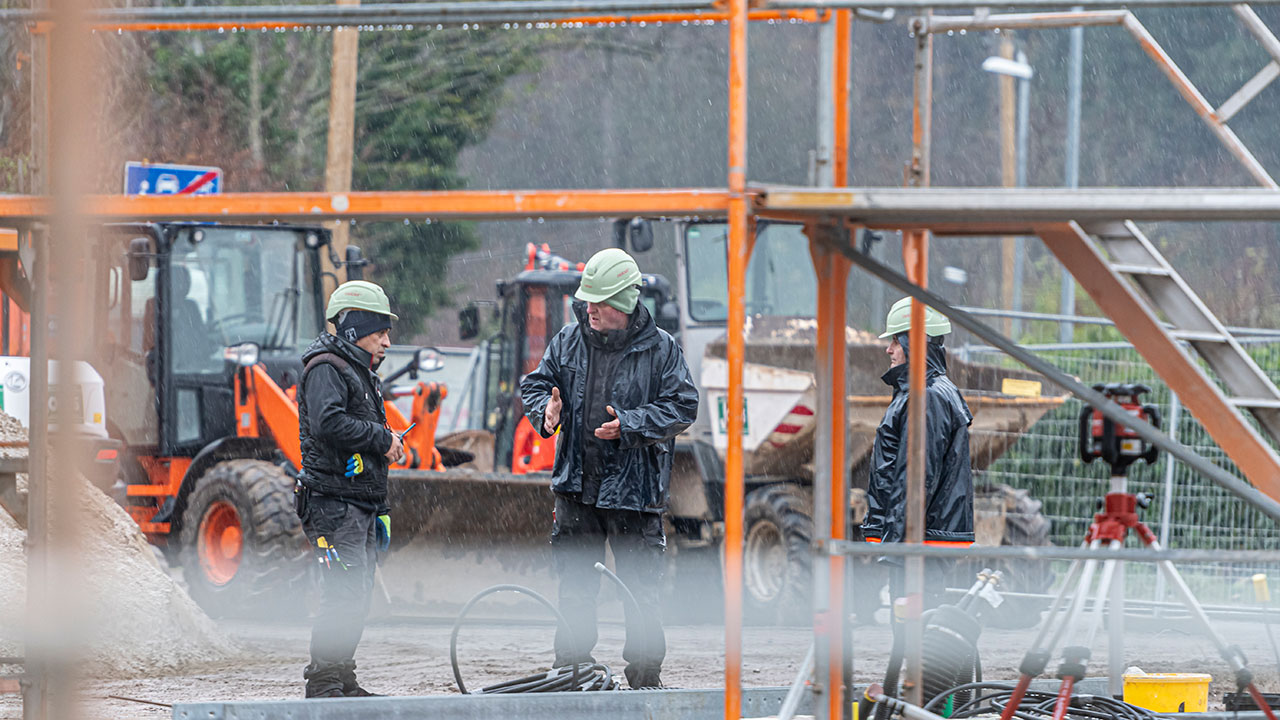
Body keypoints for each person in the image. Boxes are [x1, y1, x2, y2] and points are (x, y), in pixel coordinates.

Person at [520, 248, 699, 690]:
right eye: (588, 301)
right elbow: (536, 384)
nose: (590, 309)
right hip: (576, 490)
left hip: (636, 494)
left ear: (624, 302)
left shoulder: (661, 350)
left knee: (641, 593)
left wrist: (632, 424)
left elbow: (683, 405)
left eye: (598, 301)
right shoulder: (568, 340)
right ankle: (572, 674)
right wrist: (547, 411)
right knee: (575, 589)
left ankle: (644, 681)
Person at [296, 280, 405, 698]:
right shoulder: (327, 367)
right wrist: (381, 439)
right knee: (343, 594)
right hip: (332, 504)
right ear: (356, 329)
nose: (387, 342)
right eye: (381, 333)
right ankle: (323, 685)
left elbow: (349, 425)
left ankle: (342, 679)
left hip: (356, 502)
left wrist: (384, 442)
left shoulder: (357, 372)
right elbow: (328, 423)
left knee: (355, 594)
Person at [861, 296, 974, 606]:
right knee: (917, 632)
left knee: (917, 635)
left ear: (913, 344)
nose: (889, 349)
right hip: (919, 539)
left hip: (919, 542)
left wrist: (899, 545)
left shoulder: (927, 396)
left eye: (896, 341)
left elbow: (915, 476)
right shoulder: (920, 392)